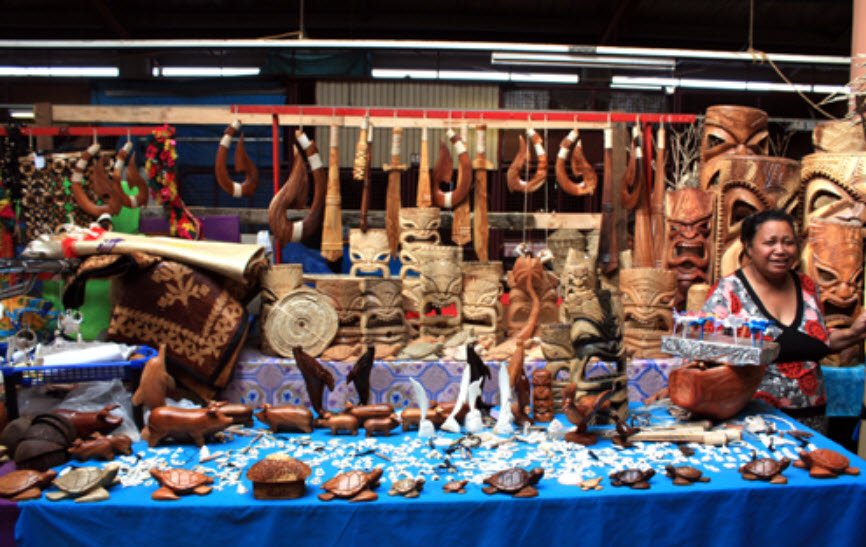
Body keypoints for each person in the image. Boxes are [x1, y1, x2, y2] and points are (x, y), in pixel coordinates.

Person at [702, 209, 866, 432]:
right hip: (751, 416)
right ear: (748, 247)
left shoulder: (807, 286)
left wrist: (854, 333)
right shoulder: (727, 291)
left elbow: (815, 343)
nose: (780, 250)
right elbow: (705, 352)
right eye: (770, 242)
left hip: (811, 413)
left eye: (788, 242)